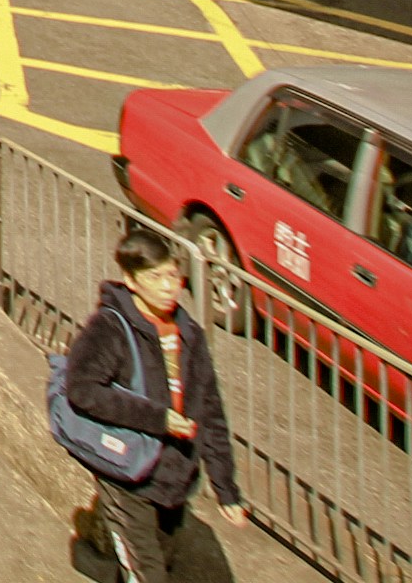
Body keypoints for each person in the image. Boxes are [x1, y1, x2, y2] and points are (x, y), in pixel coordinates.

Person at [64, 225, 251, 581]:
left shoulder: (190, 334)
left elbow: (211, 411)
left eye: (172, 275)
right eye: (156, 277)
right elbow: (83, 390)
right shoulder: (110, 329)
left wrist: (226, 489)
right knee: (148, 572)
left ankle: (93, 563)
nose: (168, 287)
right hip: (126, 471)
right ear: (131, 280)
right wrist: (158, 419)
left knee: (157, 563)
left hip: (174, 476)